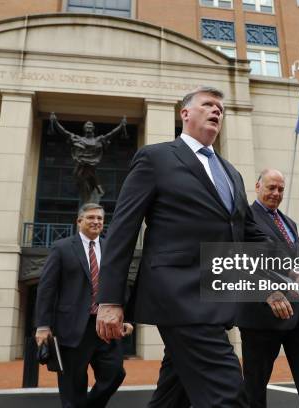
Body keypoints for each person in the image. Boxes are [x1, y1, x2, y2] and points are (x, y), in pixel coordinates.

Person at [95, 86, 269, 408]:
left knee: (173, 396)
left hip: (215, 297)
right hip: (178, 295)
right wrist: (110, 299)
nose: (216, 110)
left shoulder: (231, 173)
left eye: (220, 107)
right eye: (208, 104)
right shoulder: (155, 158)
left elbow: (247, 233)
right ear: (185, 113)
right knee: (228, 394)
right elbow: (122, 230)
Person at [236, 169, 299, 408]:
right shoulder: (243, 218)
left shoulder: (290, 223)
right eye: (271, 187)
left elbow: (295, 265)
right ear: (257, 186)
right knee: (254, 388)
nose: (276, 193)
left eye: (280, 189)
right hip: (263, 315)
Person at [35, 203, 133, 408]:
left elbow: (120, 284)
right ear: (79, 221)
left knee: (115, 373)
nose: (96, 221)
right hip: (72, 327)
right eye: (90, 218)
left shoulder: (111, 248)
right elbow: (46, 289)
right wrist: (43, 326)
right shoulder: (61, 247)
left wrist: (127, 317)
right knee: (73, 386)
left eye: (99, 218)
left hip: (105, 326)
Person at [49, 113, 127, 203]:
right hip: (80, 169)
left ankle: (93, 196)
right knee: (84, 187)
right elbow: (64, 132)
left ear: (93, 128)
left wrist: (121, 126)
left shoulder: (98, 140)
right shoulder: (78, 139)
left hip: (91, 169)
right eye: (87, 126)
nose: (88, 128)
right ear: (84, 128)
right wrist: (55, 122)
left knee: (93, 189)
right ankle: (88, 201)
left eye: (90, 126)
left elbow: (111, 134)